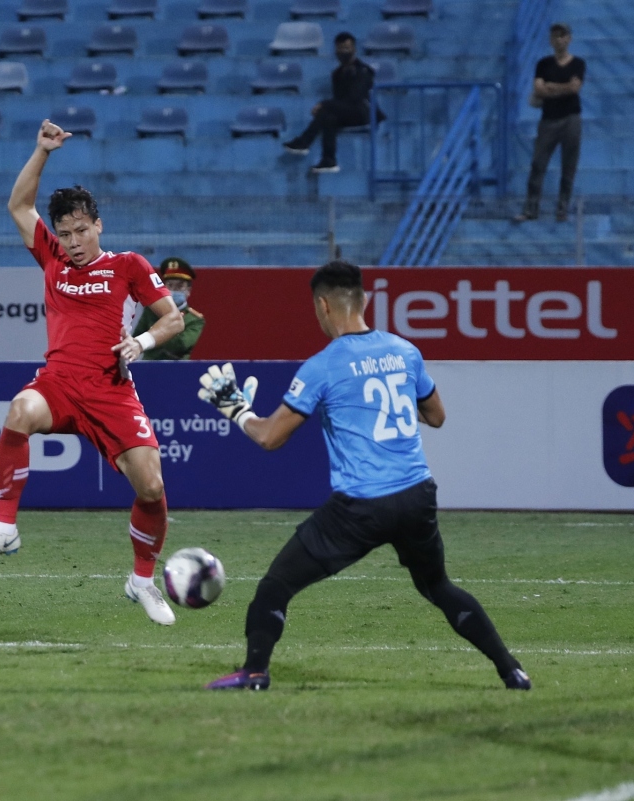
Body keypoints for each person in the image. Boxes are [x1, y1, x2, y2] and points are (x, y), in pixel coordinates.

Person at [197, 260, 531, 691]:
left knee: (276, 585)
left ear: (322, 305)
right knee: (439, 587)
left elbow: (270, 438)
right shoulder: (404, 351)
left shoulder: (323, 365)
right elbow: (437, 416)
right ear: (365, 300)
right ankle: (511, 670)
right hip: (416, 496)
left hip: (361, 506)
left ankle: (255, 672)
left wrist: (234, 408)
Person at [0, 119, 185, 627]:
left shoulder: (127, 264)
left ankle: (142, 581)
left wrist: (142, 341)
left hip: (111, 388)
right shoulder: (52, 259)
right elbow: (19, 207)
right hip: (60, 383)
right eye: (64, 234)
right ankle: (4, 528)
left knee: (151, 487)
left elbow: (173, 317)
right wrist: (41, 152)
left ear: (99, 226)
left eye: (81, 231)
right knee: (19, 409)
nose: (73, 242)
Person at [513, 22, 586, 224]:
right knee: (538, 164)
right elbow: (539, 90)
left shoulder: (578, 63)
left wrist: (551, 87)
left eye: (563, 35)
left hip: (571, 118)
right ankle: (531, 208)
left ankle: (562, 209)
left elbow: (575, 89)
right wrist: (561, 88)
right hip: (548, 120)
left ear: (569, 39)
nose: (559, 40)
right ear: (550, 40)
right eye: (555, 36)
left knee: (568, 166)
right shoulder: (543, 64)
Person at [282, 31, 377, 175]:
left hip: (361, 112)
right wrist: (327, 107)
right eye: (340, 48)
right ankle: (329, 160)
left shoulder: (364, 71)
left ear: (354, 49)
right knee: (327, 117)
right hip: (345, 113)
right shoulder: (336, 74)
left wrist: (324, 104)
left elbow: (355, 98)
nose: (343, 52)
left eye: (346, 48)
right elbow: (339, 99)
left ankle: (304, 141)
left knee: (326, 108)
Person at [131, 257, 205, 361]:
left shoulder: (194, 319)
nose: (174, 290)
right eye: (170, 286)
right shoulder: (151, 311)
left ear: (188, 290)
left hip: (178, 368)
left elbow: (181, 345)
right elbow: (137, 337)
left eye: (179, 286)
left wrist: (156, 331)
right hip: (150, 366)